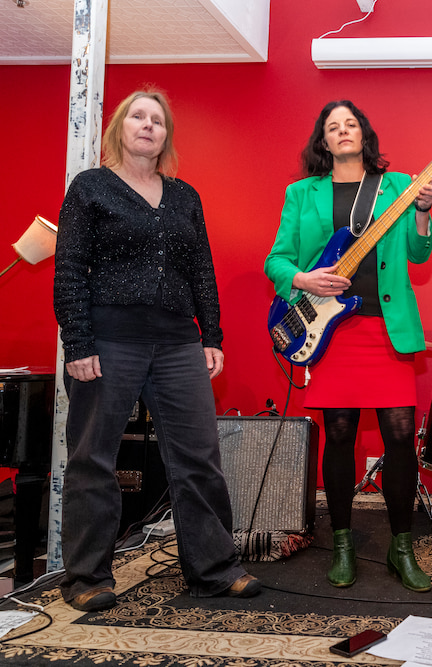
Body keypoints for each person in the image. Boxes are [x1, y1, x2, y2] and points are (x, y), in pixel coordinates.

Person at [53, 90, 260, 612]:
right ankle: (87, 578)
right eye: (138, 117)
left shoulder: (185, 195)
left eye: (158, 121)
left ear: (166, 136)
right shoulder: (90, 188)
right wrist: (76, 341)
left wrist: (210, 335)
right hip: (107, 338)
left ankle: (213, 569)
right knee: (93, 459)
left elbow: (202, 271)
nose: (148, 126)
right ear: (120, 127)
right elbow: (70, 267)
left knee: (199, 458)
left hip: (176, 341)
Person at [264, 100, 432, 592]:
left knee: (401, 433)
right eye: (333, 127)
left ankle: (401, 546)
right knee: (338, 434)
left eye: (351, 124)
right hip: (329, 332)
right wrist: (304, 278)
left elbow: (419, 253)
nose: (343, 132)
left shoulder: (398, 186)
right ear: (323, 141)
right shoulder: (301, 193)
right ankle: (342, 543)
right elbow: (276, 260)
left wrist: (422, 212)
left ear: (364, 134)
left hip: (385, 328)